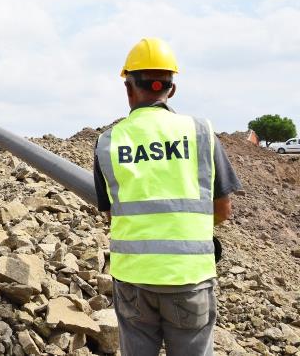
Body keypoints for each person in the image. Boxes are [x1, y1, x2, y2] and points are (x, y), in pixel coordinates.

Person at [93, 37, 242, 356]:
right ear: (171, 89)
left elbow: (111, 214)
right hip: (189, 278)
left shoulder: (109, 143)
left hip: (133, 279)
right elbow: (223, 210)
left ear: (128, 88)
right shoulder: (201, 133)